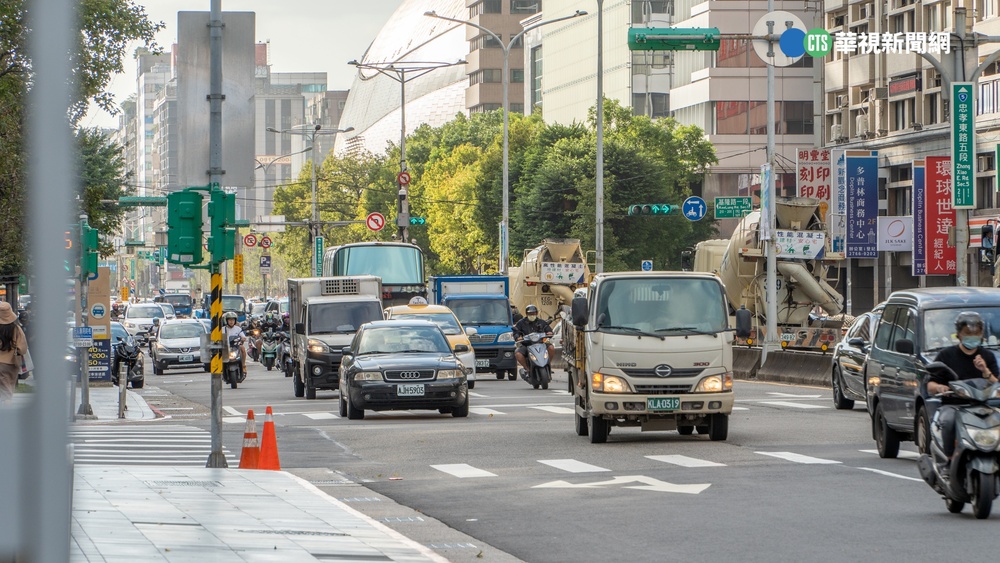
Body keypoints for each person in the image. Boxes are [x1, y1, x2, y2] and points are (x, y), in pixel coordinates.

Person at [927, 311, 1000, 458]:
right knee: (947, 422)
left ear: (981, 334)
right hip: (955, 405)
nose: (972, 336)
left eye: (976, 333)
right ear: (959, 334)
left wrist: (985, 370)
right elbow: (930, 385)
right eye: (968, 333)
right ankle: (948, 459)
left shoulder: (988, 356)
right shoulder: (946, 355)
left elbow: (997, 383)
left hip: (984, 406)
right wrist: (940, 387)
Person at [513, 304, 554, 378]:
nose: (532, 315)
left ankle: (548, 364)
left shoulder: (541, 322)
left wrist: (549, 333)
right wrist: (518, 337)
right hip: (527, 345)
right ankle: (527, 369)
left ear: (536, 313)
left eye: (534, 313)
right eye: (530, 314)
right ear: (526, 314)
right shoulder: (521, 323)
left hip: (541, 343)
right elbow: (516, 331)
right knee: (518, 353)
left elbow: (548, 329)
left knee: (551, 347)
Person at [0, 302, 27, 405]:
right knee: (8, 389)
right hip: (11, 363)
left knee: (4, 390)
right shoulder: (16, 329)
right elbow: (22, 348)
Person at [223, 312, 247, 376]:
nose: (231, 322)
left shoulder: (238, 329)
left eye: (233, 320)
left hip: (236, 346)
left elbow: (243, 337)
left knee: (242, 348)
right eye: (230, 320)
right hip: (226, 347)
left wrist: (243, 339)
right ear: (226, 321)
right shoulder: (222, 329)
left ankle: (243, 365)